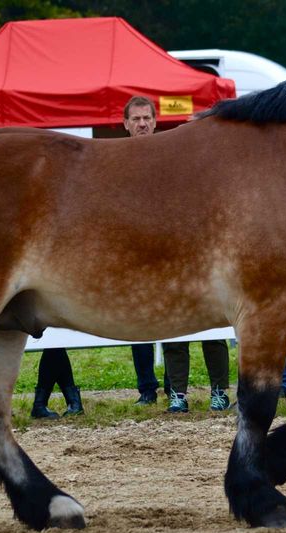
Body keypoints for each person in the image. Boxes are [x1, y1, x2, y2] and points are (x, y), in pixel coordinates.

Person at [122, 96, 167, 405]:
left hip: (168, 250)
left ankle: (178, 390)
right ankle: (147, 389)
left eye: (146, 118)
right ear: (126, 124)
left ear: (154, 120)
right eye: (135, 118)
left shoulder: (168, 156)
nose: (141, 123)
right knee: (138, 321)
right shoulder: (117, 160)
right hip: (134, 252)